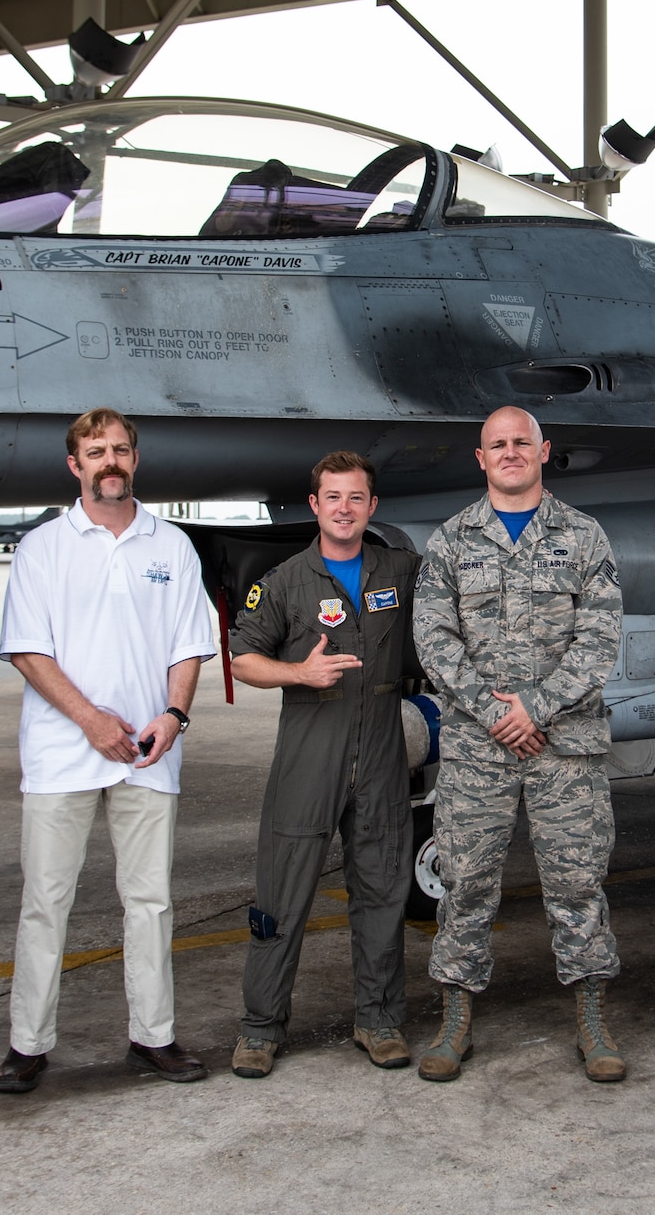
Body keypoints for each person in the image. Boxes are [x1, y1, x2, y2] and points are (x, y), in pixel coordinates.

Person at [0, 408, 217, 1093]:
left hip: (149, 754)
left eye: (120, 449)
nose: (109, 461)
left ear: (135, 460)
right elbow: (29, 650)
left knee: (149, 900)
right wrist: (91, 721)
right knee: (46, 900)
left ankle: (153, 1036)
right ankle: (28, 1045)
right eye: (96, 452)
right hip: (62, 754)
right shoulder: (42, 548)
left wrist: (174, 715)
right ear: (75, 465)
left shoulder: (171, 545)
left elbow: (188, 644)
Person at [411, 406, 627, 1083]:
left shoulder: (585, 538)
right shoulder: (450, 541)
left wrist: (534, 707)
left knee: (577, 881)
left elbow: (599, 642)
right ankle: (455, 1020)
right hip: (479, 750)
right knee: (467, 882)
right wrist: (491, 712)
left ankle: (592, 1019)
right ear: (481, 459)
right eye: (497, 445)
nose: (509, 452)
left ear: (543, 452)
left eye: (521, 443)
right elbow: (434, 641)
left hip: (566, 747)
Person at [227, 451, 422, 1078]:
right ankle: (260, 1028)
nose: (344, 508)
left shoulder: (404, 569)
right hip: (311, 748)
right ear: (314, 505)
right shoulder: (285, 581)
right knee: (282, 891)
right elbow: (242, 658)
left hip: (384, 748)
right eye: (332, 497)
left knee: (383, 889)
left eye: (356, 497)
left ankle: (380, 1020)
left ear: (372, 507)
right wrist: (299, 673)